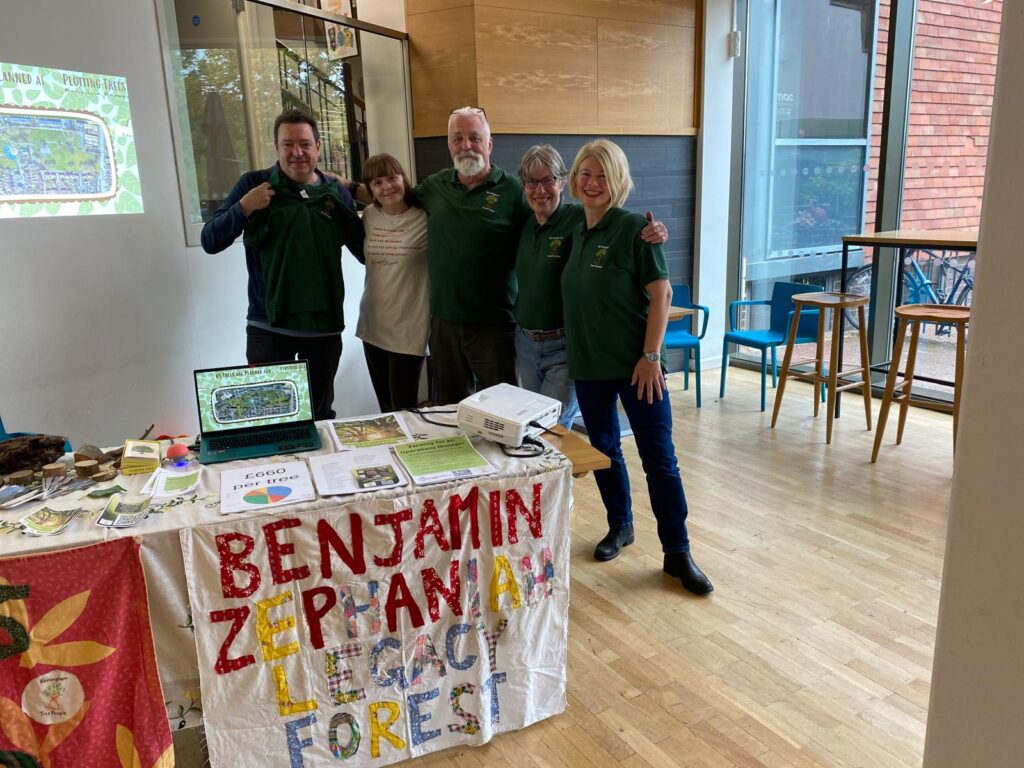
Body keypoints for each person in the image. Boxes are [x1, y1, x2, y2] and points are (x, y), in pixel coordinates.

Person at [561, 139, 713, 596]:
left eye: (602, 175)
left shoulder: (635, 228)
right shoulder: (575, 228)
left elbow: (662, 295)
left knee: (659, 459)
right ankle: (620, 526)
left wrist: (650, 357)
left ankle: (678, 552)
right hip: (589, 366)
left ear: (619, 181)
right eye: (585, 174)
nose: (592, 183)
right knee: (605, 451)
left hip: (638, 369)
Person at [347, 107, 531, 406]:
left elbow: (543, 229)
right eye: (458, 138)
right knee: (448, 409)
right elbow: (392, 195)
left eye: (474, 137)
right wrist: (342, 185)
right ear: (449, 145)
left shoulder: (513, 191)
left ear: (489, 143)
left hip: (494, 325)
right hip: (443, 324)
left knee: (502, 410)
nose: (466, 145)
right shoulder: (435, 187)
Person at [200, 108, 363, 421]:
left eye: (304, 144)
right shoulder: (254, 184)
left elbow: (367, 251)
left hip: (324, 329)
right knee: (269, 419)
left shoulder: (336, 194)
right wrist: (244, 207)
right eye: (288, 144)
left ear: (317, 146)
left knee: (319, 417)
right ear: (276, 148)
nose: (296, 152)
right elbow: (210, 240)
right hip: (268, 329)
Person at [514, 145, 668, 429]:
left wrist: (655, 229)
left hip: (564, 346)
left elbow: (614, 221)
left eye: (548, 180)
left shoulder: (576, 219)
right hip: (525, 344)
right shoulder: (523, 225)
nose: (540, 190)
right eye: (532, 182)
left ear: (562, 182)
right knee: (530, 432)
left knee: (549, 430)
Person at [355, 154, 429, 412]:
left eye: (392, 178)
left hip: (409, 328)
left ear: (404, 179)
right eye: (377, 182)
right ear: (371, 190)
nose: (387, 187)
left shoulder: (425, 217)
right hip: (372, 324)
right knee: (386, 410)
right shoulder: (369, 216)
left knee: (404, 409)